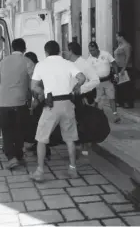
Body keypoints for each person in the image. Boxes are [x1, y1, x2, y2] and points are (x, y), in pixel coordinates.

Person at [30, 40, 86, 182]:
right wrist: (76, 87)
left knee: (41, 138)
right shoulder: (68, 63)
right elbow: (82, 78)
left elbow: (33, 86)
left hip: (51, 104)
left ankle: (40, 171)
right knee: (70, 138)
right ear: (59, 50)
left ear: (46, 52)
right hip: (67, 103)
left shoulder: (41, 65)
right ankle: (73, 169)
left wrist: (42, 92)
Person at [0, 38, 35, 169]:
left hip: (4, 102)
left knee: (7, 131)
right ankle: (19, 155)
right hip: (20, 102)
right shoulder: (27, 62)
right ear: (24, 49)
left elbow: (0, 80)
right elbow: (34, 81)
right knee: (19, 130)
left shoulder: (3, 62)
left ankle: (11, 158)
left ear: (12, 49)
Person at [67, 42, 100, 155]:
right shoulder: (69, 63)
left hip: (80, 97)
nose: (65, 53)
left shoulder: (84, 64)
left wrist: (81, 89)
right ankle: (76, 147)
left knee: (82, 122)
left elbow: (95, 80)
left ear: (71, 51)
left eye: (67, 50)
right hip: (70, 97)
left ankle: (83, 148)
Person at [24, 52, 52, 160]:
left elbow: (45, 90)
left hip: (45, 101)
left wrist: (37, 101)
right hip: (39, 101)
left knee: (42, 126)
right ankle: (38, 146)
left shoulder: (40, 71)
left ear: (32, 61)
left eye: (27, 62)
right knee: (36, 124)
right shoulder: (32, 71)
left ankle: (45, 151)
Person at [87, 41, 121, 123]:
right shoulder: (89, 59)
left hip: (108, 80)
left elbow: (114, 63)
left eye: (93, 50)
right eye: (90, 50)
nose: (92, 52)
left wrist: (116, 75)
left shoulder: (105, 54)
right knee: (98, 100)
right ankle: (95, 115)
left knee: (112, 98)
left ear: (97, 48)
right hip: (98, 82)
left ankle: (115, 115)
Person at [114, 31, 134, 108]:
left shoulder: (127, 46)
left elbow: (128, 57)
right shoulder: (120, 45)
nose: (116, 38)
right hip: (118, 67)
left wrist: (123, 68)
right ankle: (120, 102)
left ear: (121, 37)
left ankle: (128, 103)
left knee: (125, 86)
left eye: (117, 37)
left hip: (124, 67)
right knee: (119, 85)